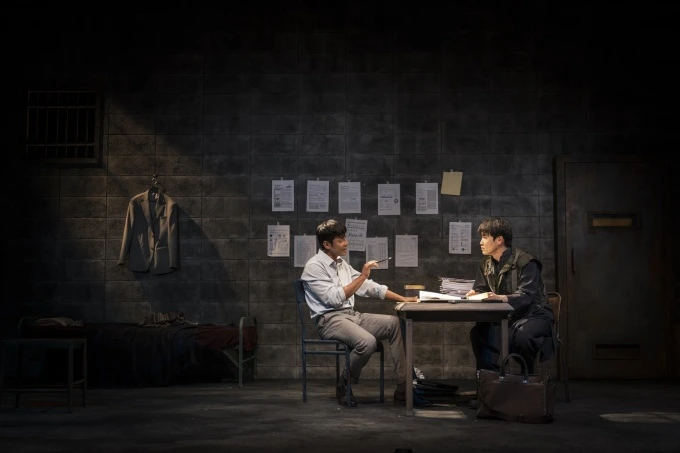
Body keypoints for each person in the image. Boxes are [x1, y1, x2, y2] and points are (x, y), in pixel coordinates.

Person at [300, 219, 431, 407]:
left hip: (351, 315)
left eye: (345, 238)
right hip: (329, 320)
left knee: (395, 324)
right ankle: (344, 384)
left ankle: (405, 388)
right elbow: (334, 299)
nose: (346, 243)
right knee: (367, 342)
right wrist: (362, 276)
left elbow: (369, 287)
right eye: (340, 240)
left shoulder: (341, 264)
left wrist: (402, 298)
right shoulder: (314, 266)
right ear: (327, 244)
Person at [467, 217, 555, 374]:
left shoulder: (526, 262)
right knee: (479, 333)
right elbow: (481, 288)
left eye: (485, 237)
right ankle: (491, 379)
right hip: (506, 318)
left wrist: (502, 298)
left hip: (535, 315)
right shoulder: (485, 264)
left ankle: (527, 378)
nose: (480, 242)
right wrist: (475, 293)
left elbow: (526, 295)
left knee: (522, 336)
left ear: (499, 240)